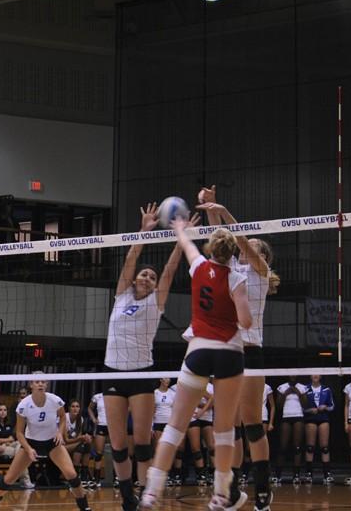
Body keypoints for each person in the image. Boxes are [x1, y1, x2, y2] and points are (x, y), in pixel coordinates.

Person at [139, 219, 252, 511]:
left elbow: (186, 243)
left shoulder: (199, 266)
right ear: (232, 252)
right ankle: (220, 495)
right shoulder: (237, 278)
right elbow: (247, 321)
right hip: (229, 352)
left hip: (199, 350)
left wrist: (180, 226)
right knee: (224, 429)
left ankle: (151, 491)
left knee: (175, 427)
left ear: (211, 248)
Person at [103, 204, 197, 511]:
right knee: (118, 445)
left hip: (142, 373)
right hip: (113, 372)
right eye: (144, 273)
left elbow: (170, 271)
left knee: (142, 443)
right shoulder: (122, 295)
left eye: (151, 276)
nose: (146, 275)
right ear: (134, 280)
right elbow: (131, 257)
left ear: (155, 286)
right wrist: (144, 230)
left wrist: (181, 239)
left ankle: (146, 496)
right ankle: (127, 496)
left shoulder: (156, 302)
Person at [197, 191, 281, 510]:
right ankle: (231, 491)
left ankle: (262, 489)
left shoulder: (258, 273)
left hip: (250, 351)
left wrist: (226, 212)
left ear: (263, 256)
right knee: (226, 424)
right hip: (226, 351)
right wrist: (211, 210)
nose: (248, 248)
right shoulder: (231, 271)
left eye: (255, 246)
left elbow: (241, 242)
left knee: (252, 423)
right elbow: (221, 241)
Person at [0, 375, 92, 511]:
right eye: (37, 382)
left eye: (43, 382)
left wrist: (59, 432)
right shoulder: (24, 405)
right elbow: (19, 433)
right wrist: (28, 449)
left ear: (46, 384)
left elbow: (62, 417)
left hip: (52, 443)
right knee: (9, 479)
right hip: (31, 444)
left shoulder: (55, 400)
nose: (40, 384)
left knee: (72, 475)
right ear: (31, 384)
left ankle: (85, 508)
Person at [0, 403, 35, 489]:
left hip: (8, 447)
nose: (3, 412)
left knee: (20, 445)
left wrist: (5, 443)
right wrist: (6, 441)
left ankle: (24, 480)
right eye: (0, 410)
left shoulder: (9, 424)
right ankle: (25, 480)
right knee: (21, 453)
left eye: (5, 410)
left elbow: (13, 439)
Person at [301, 374, 334, 484]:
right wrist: (310, 410)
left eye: (317, 374)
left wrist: (325, 407)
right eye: (313, 373)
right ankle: (309, 473)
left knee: (325, 447)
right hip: (311, 418)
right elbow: (301, 407)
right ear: (310, 376)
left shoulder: (326, 389)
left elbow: (332, 406)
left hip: (323, 417)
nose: (315, 375)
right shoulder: (305, 389)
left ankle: (327, 474)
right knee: (310, 447)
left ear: (320, 376)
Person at [275, 376, 308, 484]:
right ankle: (278, 475)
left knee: (297, 447)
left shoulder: (302, 387)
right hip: (286, 417)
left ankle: (296, 475)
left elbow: (305, 404)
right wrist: (285, 394)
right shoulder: (282, 387)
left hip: (298, 416)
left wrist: (298, 393)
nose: (293, 377)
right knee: (282, 447)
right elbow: (279, 406)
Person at [152, 378, 179, 485]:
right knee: (158, 450)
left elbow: (176, 409)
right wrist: (151, 426)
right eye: (165, 378)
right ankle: (158, 476)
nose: (167, 380)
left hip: (169, 424)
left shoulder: (172, 393)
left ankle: (169, 475)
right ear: (160, 379)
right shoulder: (155, 393)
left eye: (168, 378)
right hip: (158, 423)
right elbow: (151, 410)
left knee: (168, 450)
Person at [64, 399, 93, 488]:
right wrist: (81, 438)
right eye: (73, 406)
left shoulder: (80, 419)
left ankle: (83, 477)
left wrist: (85, 438)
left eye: (77, 406)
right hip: (61, 446)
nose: (75, 409)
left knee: (87, 444)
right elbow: (66, 440)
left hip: (73, 445)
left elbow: (78, 437)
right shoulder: (64, 418)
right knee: (80, 445)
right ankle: (75, 479)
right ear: (69, 408)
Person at [88, 391, 108, 489]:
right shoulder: (97, 396)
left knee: (117, 452)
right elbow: (89, 408)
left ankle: (117, 479)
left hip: (114, 425)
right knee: (99, 453)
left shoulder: (116, 394)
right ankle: (96, 479)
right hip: (101, 425)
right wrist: (94, 419)